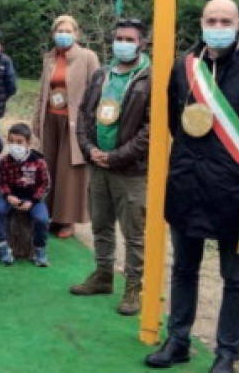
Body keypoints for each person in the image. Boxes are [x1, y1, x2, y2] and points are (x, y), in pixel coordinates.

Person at [145, 0, 239, 373]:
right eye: (212, 19)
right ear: (201, 22)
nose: (218, 26)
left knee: (235, 277)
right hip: (187, 184)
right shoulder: (183, 68)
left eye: (226, 20)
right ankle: (178, 341)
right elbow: (177, 122)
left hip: (232, 190)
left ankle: (227, 353)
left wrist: (236, 168)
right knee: (183, 269)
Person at [71, 18, 152, 316]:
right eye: (119, 38)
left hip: (130, 170)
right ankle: (103, 275)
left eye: (129, 39)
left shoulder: (149, 78)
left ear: (141, 43)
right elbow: (83, 114)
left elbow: (151, 128)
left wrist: (117, 156)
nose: (123, 43)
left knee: (134, 231)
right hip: (98, 163)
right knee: (101, 223)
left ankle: (134, 286)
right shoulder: (102, 74)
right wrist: (90, 149)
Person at [32, 14, 100, 239]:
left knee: (70, 171)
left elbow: (97, 89)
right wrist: (36, 120)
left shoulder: (88, 57)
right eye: (59, 31)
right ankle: (51, 214)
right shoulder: (49, 57)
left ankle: (67, 220)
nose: (63, 35)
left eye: (67, 31)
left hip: (75, 122)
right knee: (49, 167)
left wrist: (91, 123)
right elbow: (43, 91)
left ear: (77, 34)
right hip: (51, 118)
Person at [0, 123, 51, 267]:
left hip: (33, 198)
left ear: (28, 143)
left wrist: (32, 201)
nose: (15, 145)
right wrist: (8, 196)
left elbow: (44, 184)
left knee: (42, 219)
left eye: (19, 142)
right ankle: (2, 246)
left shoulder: (38, 161)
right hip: (11, 196)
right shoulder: (5, 161)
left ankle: (40, 250)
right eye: (11, 141)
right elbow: (1, 181)